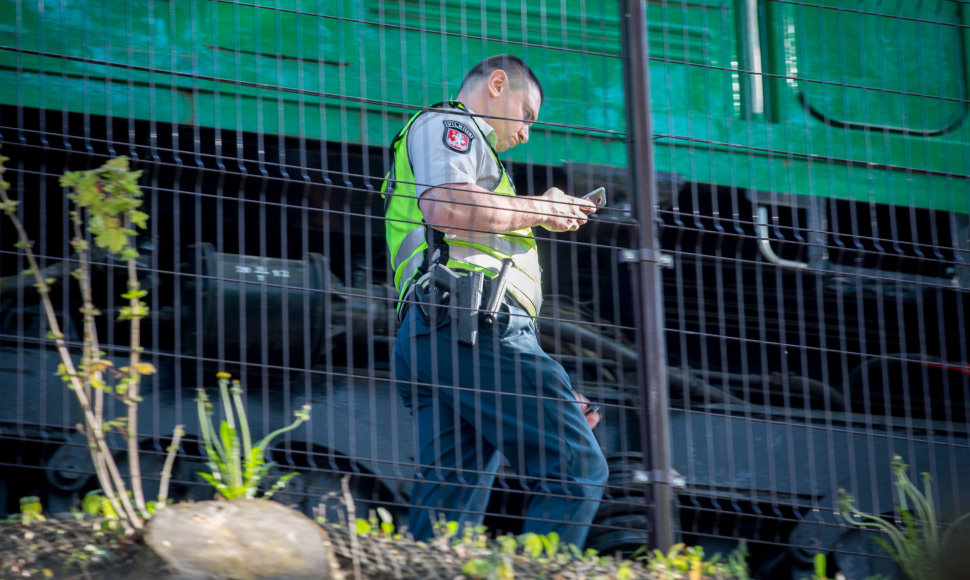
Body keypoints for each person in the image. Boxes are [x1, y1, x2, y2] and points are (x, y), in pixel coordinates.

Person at [382, 54, 609, 549]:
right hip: (469, 321)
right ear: (497, 84)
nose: (527, 133)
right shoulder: (448, 126)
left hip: (440, 332)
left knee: (447, 510)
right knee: (577, 467)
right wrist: (542, 208)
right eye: (527, 115)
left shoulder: (479, 162)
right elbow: (450, 207)